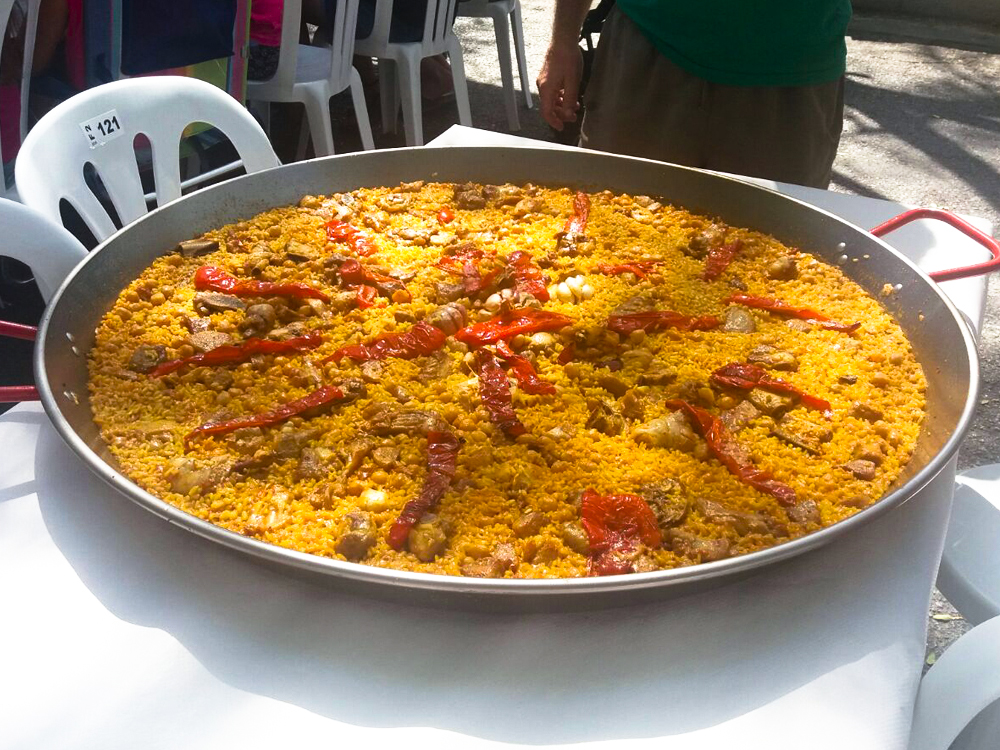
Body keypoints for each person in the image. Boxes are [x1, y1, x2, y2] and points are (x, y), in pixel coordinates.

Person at [536, 0, 852, 189]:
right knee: (602, 232)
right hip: (647, 50)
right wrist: (563, 39)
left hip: (793, 73)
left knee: (785, 250)